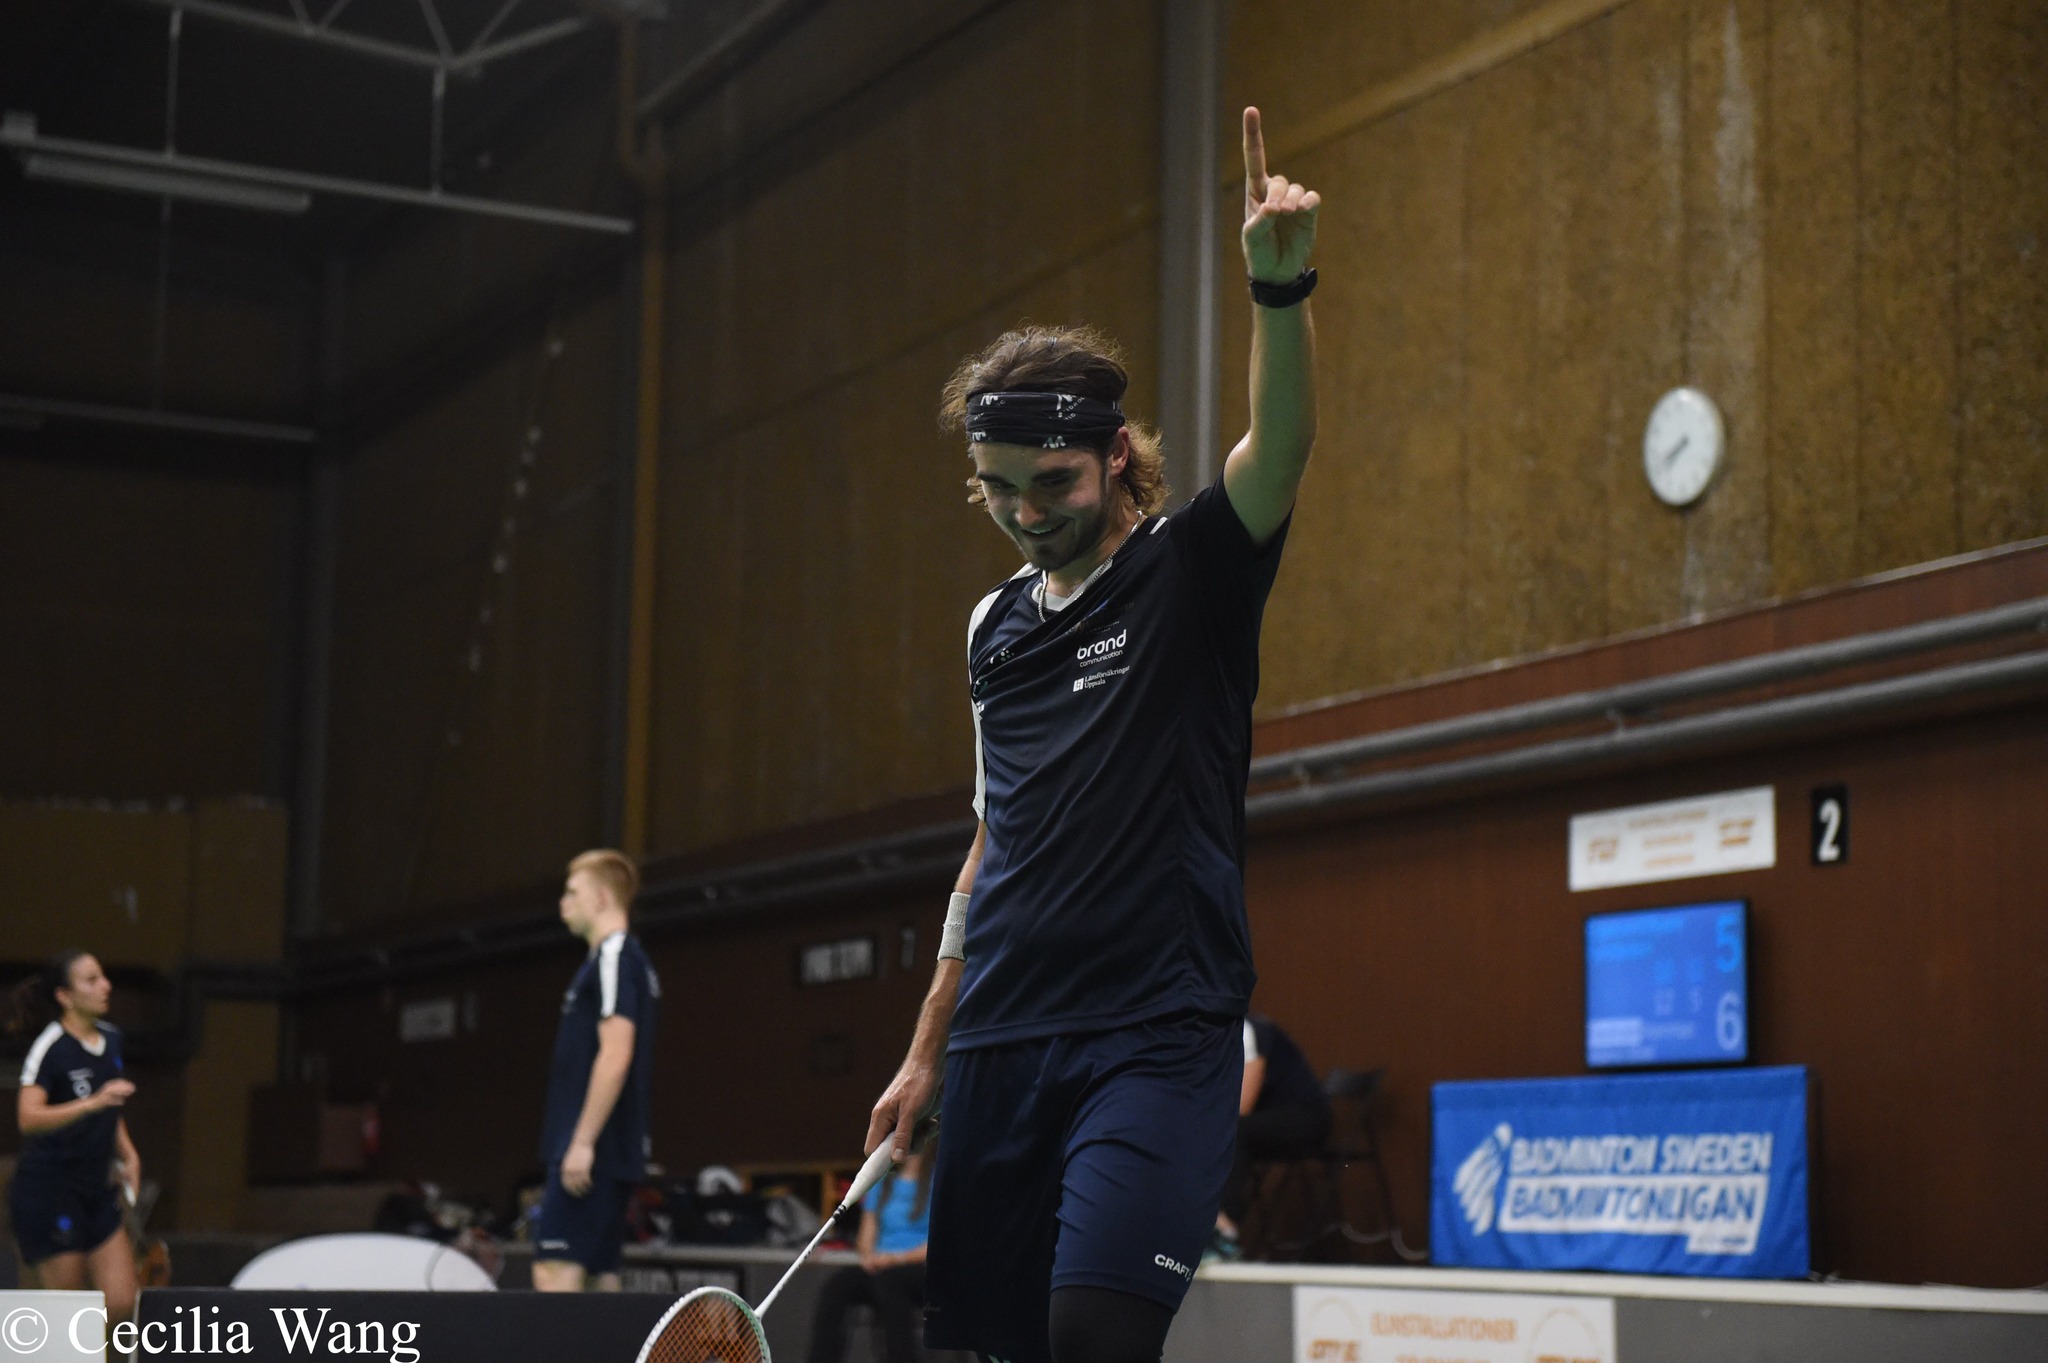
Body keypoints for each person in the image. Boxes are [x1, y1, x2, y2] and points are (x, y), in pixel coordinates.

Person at [864, 106, 1321, 1363]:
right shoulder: (991, 628)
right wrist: (926, 1049)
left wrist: (1277, 298)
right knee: (995, 1350)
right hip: (1003, 1034)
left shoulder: (1190, 576)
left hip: (1155, 1028)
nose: (1025, 514)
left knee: (1093, 1333)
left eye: (1051, 484)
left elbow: (1275, 450)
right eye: (998, 490)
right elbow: (987, 844)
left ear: (1116, 456)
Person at [532, 849, 661, 1292]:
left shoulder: (615, 957)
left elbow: (615, 1053)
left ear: (603, 898)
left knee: (554, 1273)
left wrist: (582, 1142)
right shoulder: (624, 961)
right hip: (610, 1153)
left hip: (592, 1152)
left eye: (573, 892)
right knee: (598, 1282)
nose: (563, 903)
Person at [7, 951, 143, 1327]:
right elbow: (27, 1117)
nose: (106, 985)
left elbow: (111, 1110)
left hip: (96, 1192)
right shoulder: (51, 1047)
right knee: (66, 1315)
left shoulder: (112, 1040)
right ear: (64, 996)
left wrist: (129, 1156)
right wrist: (90, 1103)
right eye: (92, 980)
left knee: (121, 1302)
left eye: (103, 977)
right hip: (49, 1192)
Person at [805, 1138, 937, 1363]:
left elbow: (939, 1242)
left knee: (891, 1283)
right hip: (881, 1266)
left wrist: (896, 1258)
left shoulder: (939, 1180)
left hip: (921, 1268)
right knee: (838, 1286)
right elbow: (866, 1237)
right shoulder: (882, 1181)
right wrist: (870, 1258)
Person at [1212, 1014, 1332, 1258]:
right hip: (1266, 1120)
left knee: (1233, 1132)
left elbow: (1240, 1107)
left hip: (1305, 1120)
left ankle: (1224, 1230)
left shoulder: (1246, 1032)